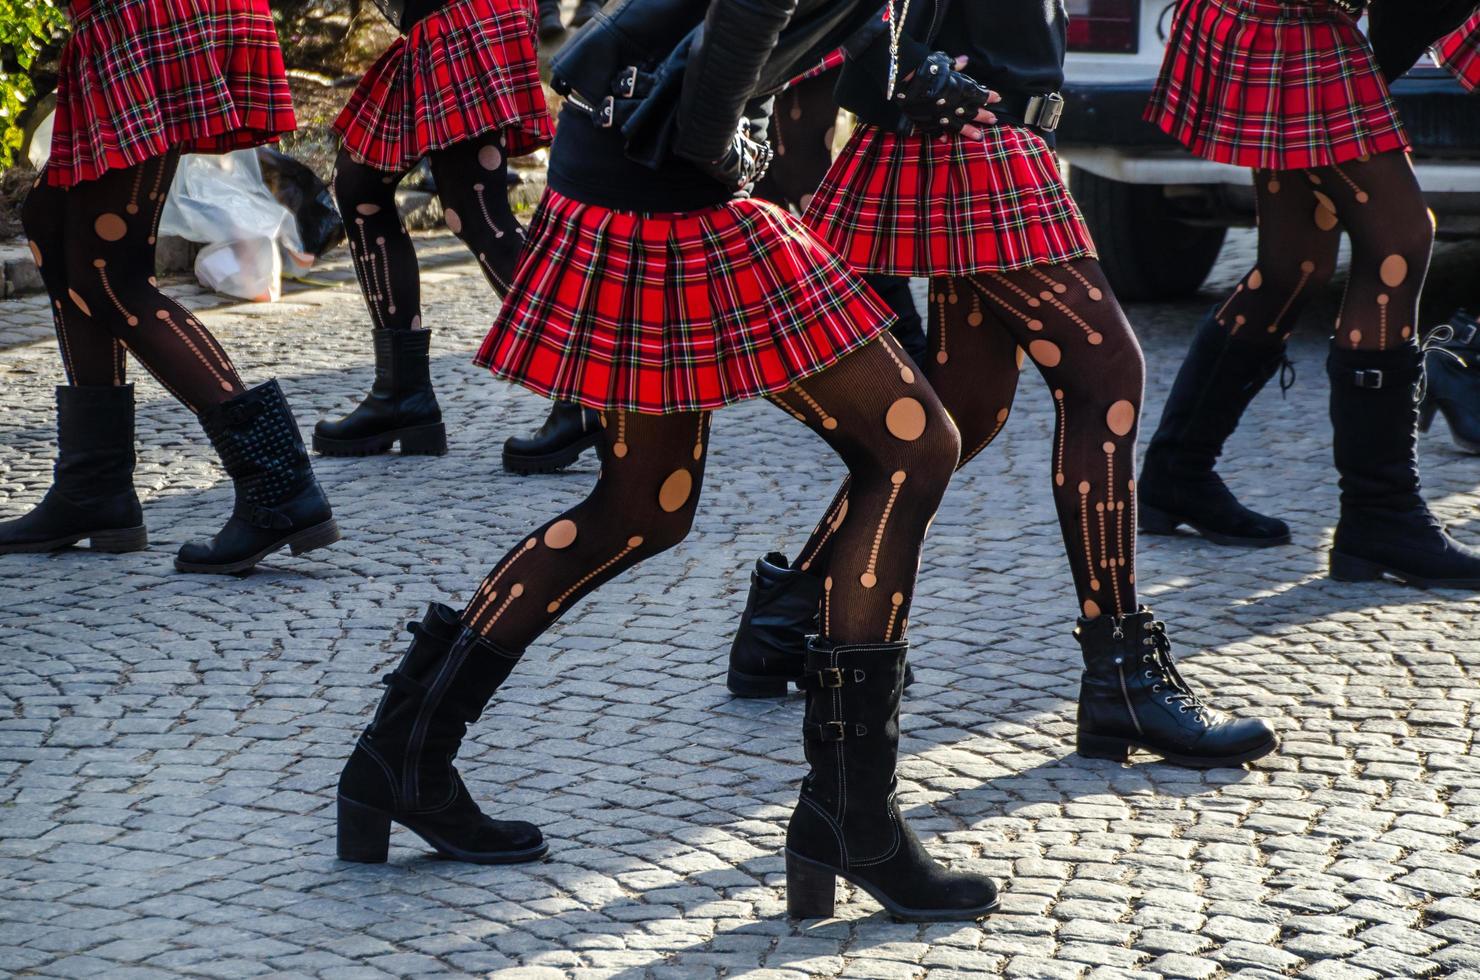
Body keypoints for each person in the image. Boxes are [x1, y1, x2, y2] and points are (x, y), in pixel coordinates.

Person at [336, 0, 1004, 922]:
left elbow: (829, 39)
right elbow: (747, 17)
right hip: (669, 173)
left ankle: (400, 754)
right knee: (912, 444)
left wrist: (909, 90)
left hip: (633, 164)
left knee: (643, 505)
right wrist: (727, 150)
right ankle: (851, 816)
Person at [724, 0, 1279, 772]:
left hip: (999, 136)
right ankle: (1120, 678)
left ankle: (786, 620)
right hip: (963, 141)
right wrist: (912, 68)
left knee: (964, 412)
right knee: (1107, 378)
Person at [1137, 0, 1480, 588]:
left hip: (1288, 22)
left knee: (1293, 263)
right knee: (1398, 240)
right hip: (1286, 26)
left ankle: (1177, 473)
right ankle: (1381, 515)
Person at [0, 0, 339, 575]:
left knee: (111, 275)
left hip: (146, 13)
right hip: (138, 14)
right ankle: (94, 489)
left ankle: (279, 487)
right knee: (52, 224)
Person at [317, 0, 596, 474]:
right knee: (361, 183)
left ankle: (591, 388)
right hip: (439, 18)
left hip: (464, 14)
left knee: (476, 212)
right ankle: (402, 393)